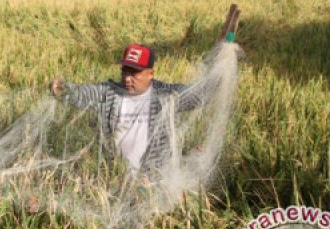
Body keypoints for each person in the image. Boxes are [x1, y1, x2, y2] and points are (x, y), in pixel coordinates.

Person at [50, 43, 211, 177]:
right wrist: (64, 89)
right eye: (125, 70)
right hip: (115, 177)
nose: (127, 78)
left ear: (150, 74)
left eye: (135, 72)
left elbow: (198, 96)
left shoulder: (166, 96)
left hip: (155, 178)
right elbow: (83, 94)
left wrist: (220, 67)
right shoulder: (110, 93)